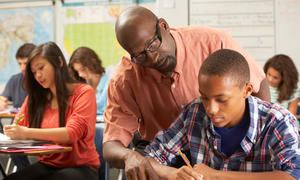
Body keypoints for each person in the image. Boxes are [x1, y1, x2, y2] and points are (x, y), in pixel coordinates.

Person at [103, 6, 270, 178]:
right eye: (139, 55)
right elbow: (111, 145)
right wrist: (129, 156)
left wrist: (259, 141)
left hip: (218, 148)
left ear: (164, 26)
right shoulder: (124, 78)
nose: (152, 58)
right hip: (162, 154)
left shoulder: (213, 42)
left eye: (152, 44)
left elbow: (258, 83)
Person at [144, 49, 300, 180]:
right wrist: (173, 173)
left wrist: (217, 176)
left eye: (222, 100)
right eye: (205, 97)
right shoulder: (194, 113)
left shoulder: (278, 121)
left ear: (247, 90)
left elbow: (294, 175)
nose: (211, 109)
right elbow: (150, 157)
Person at [3, 42, 99, 180]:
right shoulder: (36, 98)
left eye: (41, 68)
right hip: (48, 165)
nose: (38, 76)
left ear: (59, 62)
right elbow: (19, 123)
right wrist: (14, 131)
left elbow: (71, 133)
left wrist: (25, 133)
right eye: (34, 72)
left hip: (81, 168)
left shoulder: (83, 92)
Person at [68, 47, 110, 115]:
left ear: (93, 62)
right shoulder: (81, 86)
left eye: (83, 69)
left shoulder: (110, 82)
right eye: (77, 71)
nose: (80, 74)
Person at [0, 43, 36, 111]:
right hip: (17, 120)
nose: (22, 68)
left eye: (25, 63)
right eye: (20, 63)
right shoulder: (14, 80)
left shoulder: (42, 80)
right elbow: (2, 98)